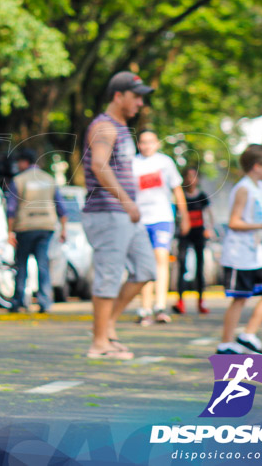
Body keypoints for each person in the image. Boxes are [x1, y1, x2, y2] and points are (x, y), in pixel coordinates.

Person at [81, 71, 158, 360]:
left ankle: (107, 327)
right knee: (109, 275)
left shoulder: (121, 127)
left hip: (125, 214)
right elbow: (100, 165)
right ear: (118, 96)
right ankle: (99, 343)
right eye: (135, 96)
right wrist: (126, 200)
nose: (140, 102)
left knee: (146, 269)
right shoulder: (104, 126)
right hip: (108, 212)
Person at [216, 144, 262, 356]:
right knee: (240, 298)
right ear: (257, 166)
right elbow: (234, 222)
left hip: (256, 254)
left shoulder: (260, 188)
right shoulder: (244, 188)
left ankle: (247, 335)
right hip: (239, 254)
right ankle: (226, 344)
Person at [132, 130, 190, 325]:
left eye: (150, 142)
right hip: (140, 220)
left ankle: (160, 306)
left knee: (161, 258)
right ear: (138, 144)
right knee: (144, 264)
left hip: (162, 218)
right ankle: (145, 308)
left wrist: (185, 216)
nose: (147, 145)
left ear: (157, 144)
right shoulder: (133, 164)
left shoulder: (165, 162)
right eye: (143, 142)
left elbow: (177, 189)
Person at [6, 148, 66, 313]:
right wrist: (64, 228)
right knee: (43, 264)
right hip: (46, 227)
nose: (18, 165)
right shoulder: (49, 179)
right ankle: (44, 301)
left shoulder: (19, 180)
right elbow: (60, 206)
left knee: (21, 265)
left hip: (25, 227)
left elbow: (11, 208)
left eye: (19, 162)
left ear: (25, 162)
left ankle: (18, 301)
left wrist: (10, 231)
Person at [173, 166, 216, 315]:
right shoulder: (181, 196)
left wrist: (209, 229)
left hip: (199, 233)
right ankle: (180, 301)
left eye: (194, 176)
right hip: (185, 234)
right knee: (182, 265)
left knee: (200, 267)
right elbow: (176, 214)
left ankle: (201, 301)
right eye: (189, 176)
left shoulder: (202, 196)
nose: (191, 179)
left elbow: (210, 215)